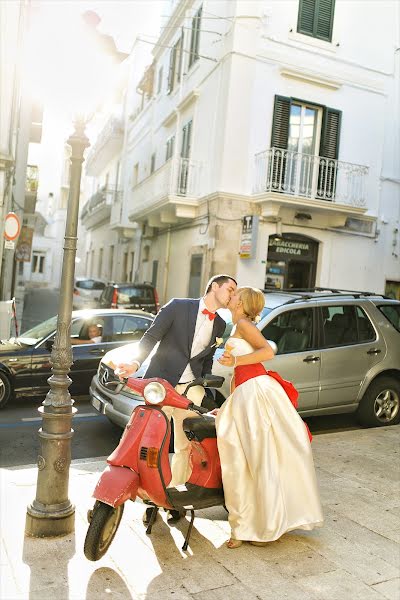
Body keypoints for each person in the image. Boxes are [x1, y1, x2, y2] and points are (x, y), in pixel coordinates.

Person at [215, 286, 323, 548]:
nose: (232, 296)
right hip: (246, 391)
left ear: (242, 303)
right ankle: (248, 525)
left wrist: (235, 363)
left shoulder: (243, 323)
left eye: (235, 294)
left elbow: (267, 352)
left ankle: (265, 526)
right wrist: (230, 400)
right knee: (245, 460)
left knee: (258, 458)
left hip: (256, 392)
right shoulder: (237, 324)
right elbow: (238, 369)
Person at [115, 274, 237, 499]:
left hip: (191, 389)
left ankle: (175, 492)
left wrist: (206, 381)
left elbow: (206, 359)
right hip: (161, 386)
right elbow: (151, 337)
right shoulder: (178, 307)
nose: (232, 295)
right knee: (150, 444)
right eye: (230, 289)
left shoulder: (220, 324)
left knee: (185, 445)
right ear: (214, 287)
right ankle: (147, 494)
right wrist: (135, 362)